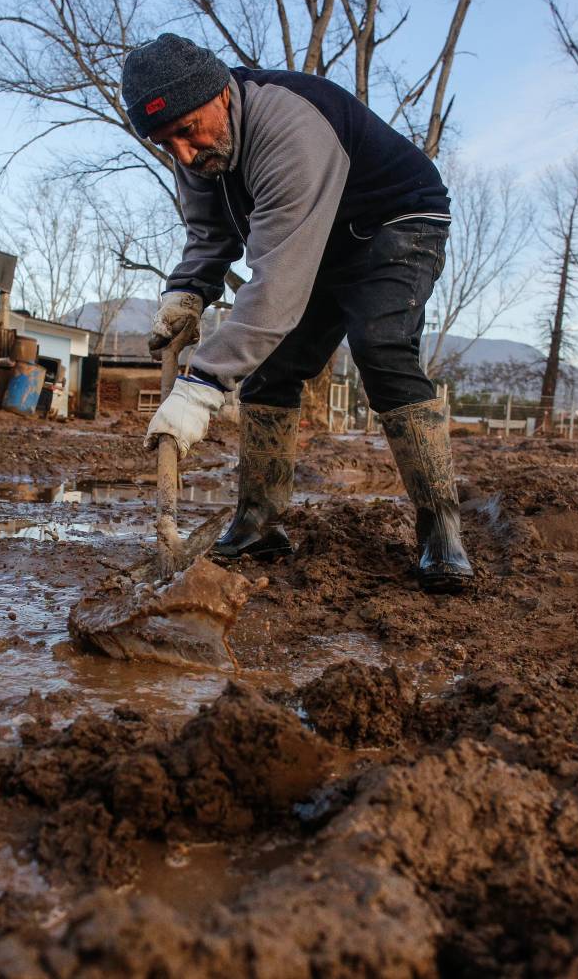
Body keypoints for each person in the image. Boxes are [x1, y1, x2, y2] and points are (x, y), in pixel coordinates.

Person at [122, 33, 473, 593]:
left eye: (187, 133)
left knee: (380, 347)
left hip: (395, 221)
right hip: (318, 238)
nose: (184, 155)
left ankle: (441, 530)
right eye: (166, 145)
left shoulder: (289, 127)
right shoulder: (195, 148)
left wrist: (201, 386)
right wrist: (186, 291)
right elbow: (210, 233)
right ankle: (259, 522)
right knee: (273, 369)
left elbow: (278, 285)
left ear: (220, 95)